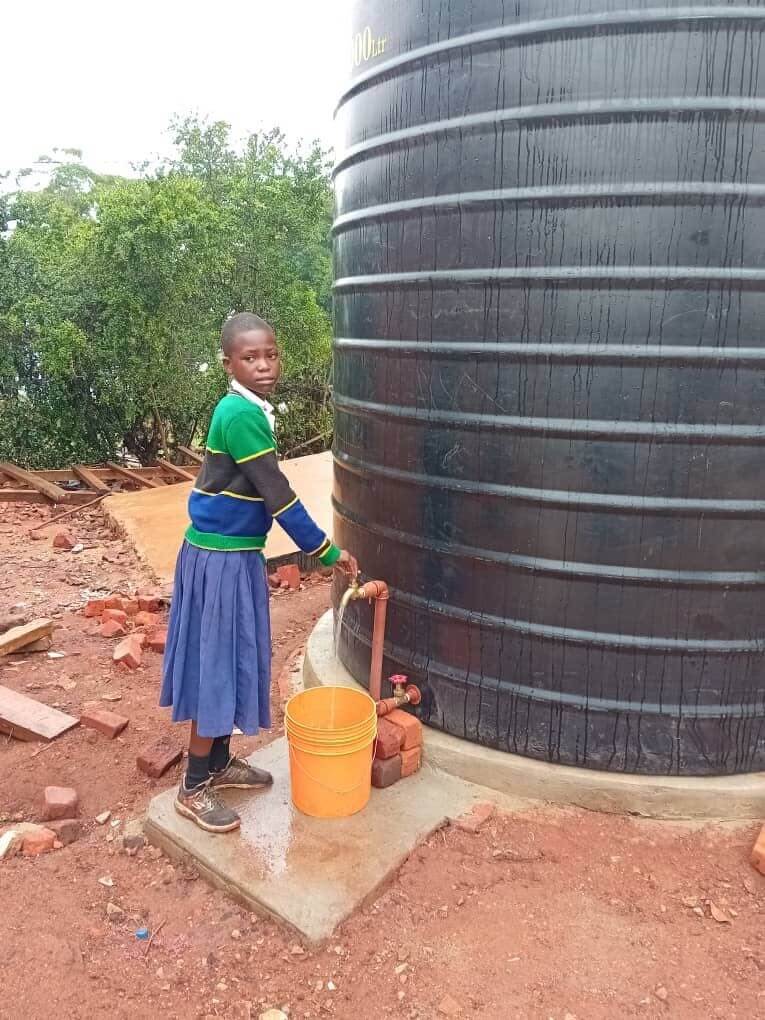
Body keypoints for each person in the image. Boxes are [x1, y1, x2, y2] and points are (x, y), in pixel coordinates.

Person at [160, 311, 358, 833]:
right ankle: (193, 786)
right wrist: (326, 552)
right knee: (216, 666)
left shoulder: (246, 409)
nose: (264, 365)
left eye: (271, 355)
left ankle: (218, 763)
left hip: (233, 554)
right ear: (229, 364)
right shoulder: (241, 416)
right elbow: (278, 495)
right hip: (220, 560)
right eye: (251, 358)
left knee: (230, 656)